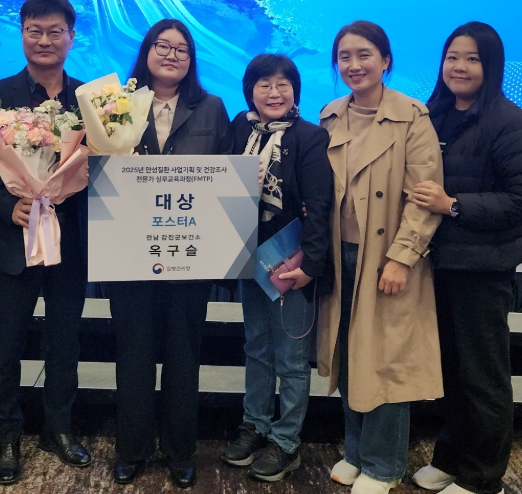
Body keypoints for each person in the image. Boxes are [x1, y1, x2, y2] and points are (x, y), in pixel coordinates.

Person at [316, 21, 445, 494]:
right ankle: (356, 452)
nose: (354, 65)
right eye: (345, 56)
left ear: (386, 60)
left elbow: (424, 196)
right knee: (349, 354)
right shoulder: (330, 115)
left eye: (364, 54)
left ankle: (384, 466)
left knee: (386, 360)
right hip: (339, 255)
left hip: (386, 257)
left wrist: (402, 257)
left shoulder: (412, 116)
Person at [107, 18, 232, 488]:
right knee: (133, 354)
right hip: (128, 251)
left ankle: (180, 450)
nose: (172, 55)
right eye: (163, 46)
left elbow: (226, 175)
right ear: (146, 51)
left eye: (182, 49)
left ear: (191, 60)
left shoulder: (212, 108)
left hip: (189, 253)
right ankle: (132, 448)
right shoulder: (117, 106)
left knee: (184, 355)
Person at [0, 0, 90, 485]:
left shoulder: (90, 101)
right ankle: (6, 435)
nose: (44, 40)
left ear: (71, 37)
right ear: (21, 33)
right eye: (35, 31)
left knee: (65, 342)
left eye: (55, 31)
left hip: (70, 243)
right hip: (13, 241)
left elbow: (103, 168)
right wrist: (8, 205)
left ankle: (58, 428)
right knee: (6, 343)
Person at [410, 22, 522, 494]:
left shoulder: (508, 121)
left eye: (472, 58)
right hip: (439, 263)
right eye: (452, 57)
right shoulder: (432, 114)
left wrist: (452, 205)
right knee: (451, 371)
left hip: (482, 268)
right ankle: (451, 457)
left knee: (483, 377)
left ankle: (482, 477)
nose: (459, 66)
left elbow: (517, 200)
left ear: (490, 65)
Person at [220, 54, 333, 482]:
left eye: (283, 84)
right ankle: (255, 425)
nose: (274, 92)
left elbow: (319, 206)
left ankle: (286, 442)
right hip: (249, 257)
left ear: (295, 92)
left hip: (290, 262)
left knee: (291, 358)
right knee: (256, 347)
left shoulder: (310, 137)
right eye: (264, 84)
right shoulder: (239, 128)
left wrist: (311, 265)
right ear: (249, 90)